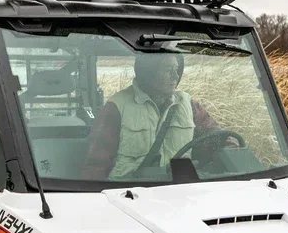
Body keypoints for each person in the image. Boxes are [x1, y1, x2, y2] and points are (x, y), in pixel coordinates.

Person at [81, 52, 225, 180]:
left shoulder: (189, 105)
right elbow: (95, 166)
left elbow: (217, 138)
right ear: (148, 72)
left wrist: (230, 148)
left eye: (176, 70)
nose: (175, 76)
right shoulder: (117, 107)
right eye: (168, 70)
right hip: (128, 194)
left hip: (180, 193)